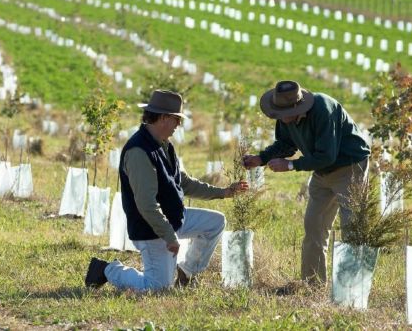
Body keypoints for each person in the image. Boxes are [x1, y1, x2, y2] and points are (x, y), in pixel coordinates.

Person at [85, 90, 248, 291]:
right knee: (157, 288)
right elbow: (146, 205)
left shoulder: (164, 144)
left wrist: (223, 192)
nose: (179, 125)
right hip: (151, 228)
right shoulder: (139, 151)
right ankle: (108, 270)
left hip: (174, 218)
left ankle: (186, 272)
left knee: (215, 222)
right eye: (176, 119)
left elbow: (184, 183)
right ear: (163, 118)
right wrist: (169, 237)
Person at [242, 80, 370, 284]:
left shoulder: (323, 110)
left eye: (284, 114)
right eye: (277, 114)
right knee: (313, 226)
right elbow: (285, 144)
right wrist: (261, 159)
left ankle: (354, 286)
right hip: (321, 172)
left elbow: (327, 155)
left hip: (350, 167)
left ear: (298, 106)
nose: (281, 119)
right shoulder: (284, 115)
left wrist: (291, 165)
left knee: (351, 227)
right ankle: (312, 284)